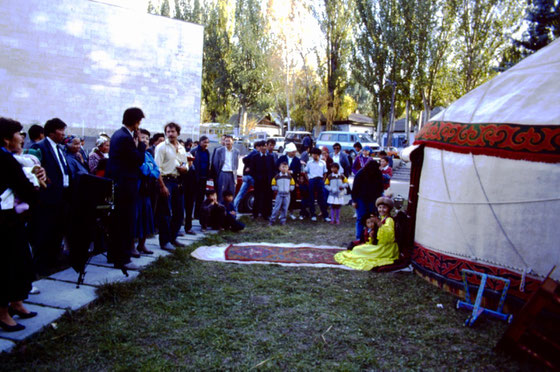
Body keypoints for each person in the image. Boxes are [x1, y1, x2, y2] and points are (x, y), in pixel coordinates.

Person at [0, 117, 45, 332]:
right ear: (7, 138)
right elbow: (25, 188)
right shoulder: (5, 159)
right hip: (4, 222)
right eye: (19, 133)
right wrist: (36, 185)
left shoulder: (9, 157)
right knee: (9, 264)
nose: (22, 137)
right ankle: (3, 312)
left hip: (10, 219)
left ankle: (17, 303)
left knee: (21, 261)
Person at [105, 107, 147, 271]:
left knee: (118, 222)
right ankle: (123, 258)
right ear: (136, 122)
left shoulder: (118, 134)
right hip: (125, 185)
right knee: (125, 222)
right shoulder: (124, 137)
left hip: (119, 184)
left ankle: (114, 255)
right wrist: (141, 146)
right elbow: (137, 160)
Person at [30, 118, 71, 275]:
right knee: (44, 232)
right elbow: (36, 171)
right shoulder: (39, 147)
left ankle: (54, 261)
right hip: (47, 198)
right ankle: (40, 265)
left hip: (62, 196)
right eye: (61, 130)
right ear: (52, 131)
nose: (63, 134)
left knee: (57, 231)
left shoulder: (60, 148)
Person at [334, 196, 399, 270]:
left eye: (384, 208)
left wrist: (379, 224)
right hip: (379, 245)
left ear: (389, 209)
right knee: (357, 249)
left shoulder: (389, 220)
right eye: (380, 207)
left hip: (386, 248)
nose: (381, 210)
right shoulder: (381, 218)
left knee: (357, 250)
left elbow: (389, 236)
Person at [154, 122, 188, 252]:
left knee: (179, 213)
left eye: (173, 131)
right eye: (168, 132)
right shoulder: (161, 147)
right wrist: (162, 186)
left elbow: (185, 163)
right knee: (165, 213)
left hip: (178, 181)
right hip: (166, 181)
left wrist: (185, 168)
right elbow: (157, 169)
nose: (170, 134)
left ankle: (173, 237)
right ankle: (165, 241)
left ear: (178, 133)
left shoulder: (181, 148)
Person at [135, 129, 159, 255]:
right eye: (142, 137)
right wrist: (149, 171)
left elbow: (156, 170)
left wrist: (150, 172)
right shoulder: (135, 154)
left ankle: (142, 244)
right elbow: (143, 170)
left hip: (147, 191)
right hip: (137, 191)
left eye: (147, 138)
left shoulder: (149, 155)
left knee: (146, 218)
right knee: (136, 218)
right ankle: (132, 246)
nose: (144, 140)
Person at [351, 160, 384, 239]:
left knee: (372, 217)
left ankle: (371, 236)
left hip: (373, 199)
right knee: (361, 218)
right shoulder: (360, 173)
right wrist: (354, 201)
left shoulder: (378, 173)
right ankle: (358, 237)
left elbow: (380, 188)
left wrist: (379, 200)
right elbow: (354, 188)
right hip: (361, 198)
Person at [249, 140, 275, 220]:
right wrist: (256, 177)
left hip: (268, 181)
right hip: (258, 181)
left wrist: (271, 178)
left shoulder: (270, 157)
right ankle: (255, 214)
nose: (264, 148)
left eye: (265, 146)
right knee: (257, 197)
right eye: (262, 146)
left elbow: (273, 169)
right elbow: (252, 170)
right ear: (259, 148)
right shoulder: (255, 157)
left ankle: (267, 214)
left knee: (268, 198)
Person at [276, 142, 301, 220]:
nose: (294, 153)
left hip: (292, 180)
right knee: (282, 196)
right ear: (288, 152)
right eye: (293, 152)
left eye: (295, 151)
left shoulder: (297, 160)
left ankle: (291, 212)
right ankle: (282, 213)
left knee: (292, 196)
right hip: (282, 179)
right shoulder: (282, 158)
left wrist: (291, 171)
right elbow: (276, 166)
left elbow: (298, 170)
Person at [233, 141, 260, 212]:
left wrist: (247, 167)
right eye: (260, 147)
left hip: (246, 176)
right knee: (260, 191)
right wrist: (249, 167)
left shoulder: (252, 153)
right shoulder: (255, 153)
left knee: (241, 194)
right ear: (257, 147)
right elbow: (244, 159)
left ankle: (234, 208)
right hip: (250, 176)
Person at [304, 147, 330, 222]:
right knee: (311, 198)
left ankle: (325, 215)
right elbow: (306, 172)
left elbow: (325, 172)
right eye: (312, 154)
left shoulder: (323, 163)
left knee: (321, 198)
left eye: (315, 154)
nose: (314, 156)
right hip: (312, 180)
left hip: (320, 180)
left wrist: (323, 180)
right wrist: (309, 179)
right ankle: (313, 214)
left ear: (318, 155)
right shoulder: (309, 163)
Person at [212, 134, 240, 203]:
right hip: (223, 173)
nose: (227, 142)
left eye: (229, 141)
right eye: (226, 141)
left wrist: (235, 177)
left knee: (231, 194)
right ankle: (221, 211)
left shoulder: (236, 151)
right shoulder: (219, 150)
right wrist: (219, 174)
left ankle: (230, 211)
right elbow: (215, 164)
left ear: (232, 142)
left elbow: (236, 164)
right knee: (221, 193)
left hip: (232, 174)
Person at [191, 135, 211, 220]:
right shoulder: (194, 151)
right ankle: (189, 215)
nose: (206, 144)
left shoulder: (207, 152)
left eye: (207, 142)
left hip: (203, 178)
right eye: (204, 142)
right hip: (195, 178)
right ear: (200, 142)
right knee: (192, 197)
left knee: (201, 197)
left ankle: (197, 214)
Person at [269, 162, 295, 226]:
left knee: (285, 208)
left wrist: (290, 188)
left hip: (287, 195)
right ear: (279, 168)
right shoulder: (276, 177)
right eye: (283, 167)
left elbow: (292, 184)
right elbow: (273, 184)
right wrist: (276, 188)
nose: (284, 168)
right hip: (279, 194)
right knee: (276, 208)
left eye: (286, 167)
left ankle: (283, 220)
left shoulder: (289, 177)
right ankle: (272, 220)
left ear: (288, 168)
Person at [182, 152, 197, 235]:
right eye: (188, 160)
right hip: (182, 191)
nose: (190, 162)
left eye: (191, 160)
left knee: (189, 210)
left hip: (191, 192)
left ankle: (188, 227)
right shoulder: (182, 169)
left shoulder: (193, 169)